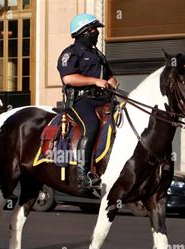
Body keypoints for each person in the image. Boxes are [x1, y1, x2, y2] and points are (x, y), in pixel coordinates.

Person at [57, 13, 117, 190]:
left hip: (103, 100)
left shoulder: (98, 55)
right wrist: (95, 81)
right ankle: (83, 174)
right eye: (93, 29)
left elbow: (109, 76)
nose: (96, 32)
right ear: (83, 32)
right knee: (90, 126)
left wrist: (112, 83)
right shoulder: (70, 53)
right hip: (81, 101)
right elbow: (68, 78)